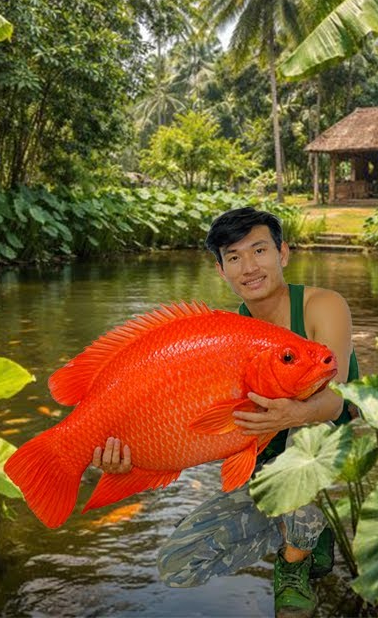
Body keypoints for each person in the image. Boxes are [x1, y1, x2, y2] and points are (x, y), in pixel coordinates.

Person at [89, 207, 360, 618]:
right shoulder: (229, 335)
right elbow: (200, 430)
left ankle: (294, 556)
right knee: (179, 566)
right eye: (233, 257)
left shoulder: (324, 305)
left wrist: (290, 415)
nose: (249, 267)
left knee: (297, 473)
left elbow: (337, 396)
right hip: (261, 465)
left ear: (283, 253)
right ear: (220, 270)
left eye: (259, 250)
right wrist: (133, 457)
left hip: (325, 452)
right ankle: (299, 530)